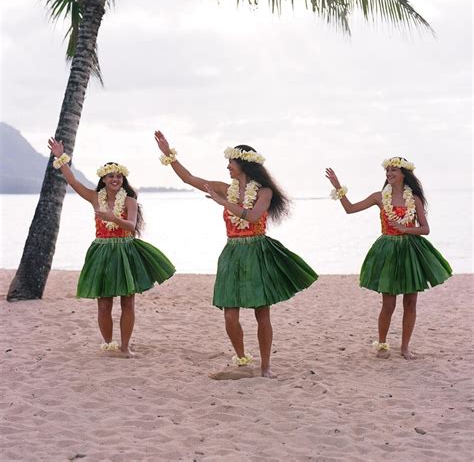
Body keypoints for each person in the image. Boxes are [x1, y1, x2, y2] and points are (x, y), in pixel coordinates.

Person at [155, 131, 318, 378]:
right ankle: (242, 358)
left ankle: (266, 366)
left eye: (230, 163)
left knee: (262, 312)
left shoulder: (264, 192)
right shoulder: (224, 188)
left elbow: (253, 217)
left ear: (242, 164)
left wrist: (224, 203)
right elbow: (189, 178)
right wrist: (169, 154)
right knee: (230, 314)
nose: (227, 167)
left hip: (257, 252)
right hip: (232, 252)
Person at [48, 137, 175, 357]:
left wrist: (112, 218)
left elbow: (132, 226)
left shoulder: (130, 201)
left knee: (128, 302)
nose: (115, 179)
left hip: (126, 252)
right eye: (110, 176)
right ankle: (108, 344)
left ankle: (125, 347)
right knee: (104, 304)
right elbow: (73, 182)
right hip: (102, 252)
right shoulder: (94, 197)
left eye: (118, 176)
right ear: (103, 179)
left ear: (122, 179)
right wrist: (60, 157)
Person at [325, 157, 452, 360]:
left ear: (404, 174)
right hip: (388, 252)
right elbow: (350, 209)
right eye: (387, 171)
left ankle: (405, 347)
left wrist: (406, 229)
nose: (389, 174)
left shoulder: (415, 199)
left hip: (411, 251)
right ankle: (382, 344)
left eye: (394, 170)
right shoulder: (379, 197)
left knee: (410, 303)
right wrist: (338, 186)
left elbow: (425, 229)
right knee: (389, 304)